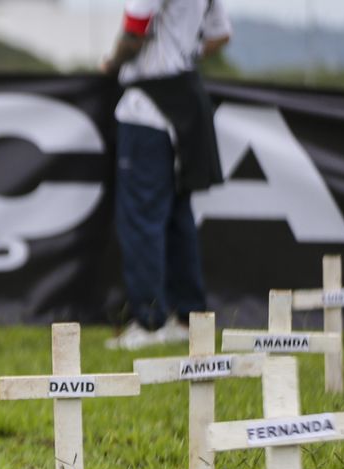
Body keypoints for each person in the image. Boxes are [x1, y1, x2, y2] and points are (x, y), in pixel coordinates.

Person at [101, 0, 232, 350]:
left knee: (142, 218)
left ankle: (149, 321)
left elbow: (134, 31)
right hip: (186, 100)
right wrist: (181, 55)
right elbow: (220, 36)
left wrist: (112, 64)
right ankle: (189, 318)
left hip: (148, 106)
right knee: (178, 215)